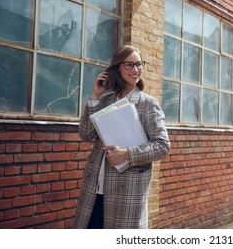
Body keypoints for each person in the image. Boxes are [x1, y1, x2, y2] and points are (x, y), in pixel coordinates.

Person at [73, 45, 171, 229]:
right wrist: (95, 97)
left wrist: (127, 153)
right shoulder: (105, 99)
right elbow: (85, 134)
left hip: (126, 190)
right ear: (117, 67)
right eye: (129, 65)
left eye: (139, 64)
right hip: (94, 187)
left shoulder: (148, 103)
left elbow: (162, 146)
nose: (136, 70)